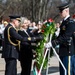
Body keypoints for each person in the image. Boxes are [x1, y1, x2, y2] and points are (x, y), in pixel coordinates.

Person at [45, 3, 75, 75]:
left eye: (61, 11)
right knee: (63, 72)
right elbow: (61, 36)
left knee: (68, 72)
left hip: (68, 51)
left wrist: (53, 43)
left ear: (66, 11)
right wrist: (52, 40)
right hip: (63, 51)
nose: (60, 13)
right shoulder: (64, 22)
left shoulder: (70, 23)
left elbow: (66, 37)